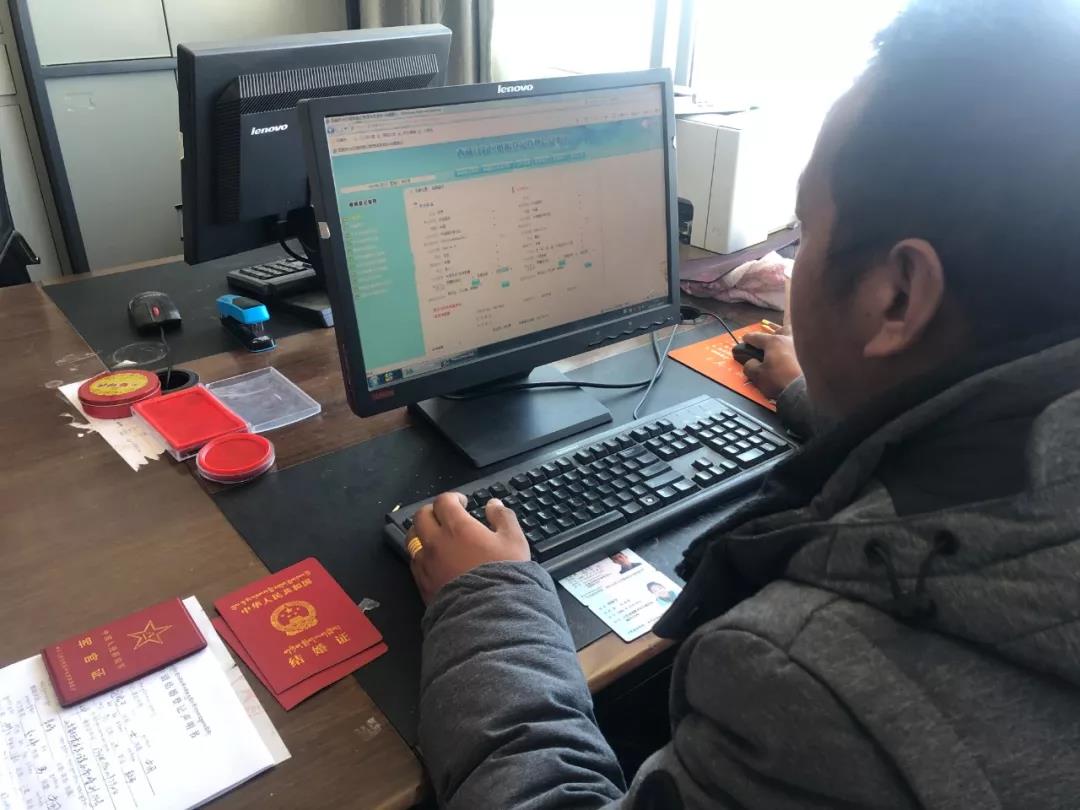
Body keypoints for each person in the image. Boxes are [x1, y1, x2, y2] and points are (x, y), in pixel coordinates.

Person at [405, 1, 1080, 806]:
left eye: (804, 230)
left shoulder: (801, 677)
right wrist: (823, 400)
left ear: (897, 297)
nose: (792, 259)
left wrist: (487, 604)